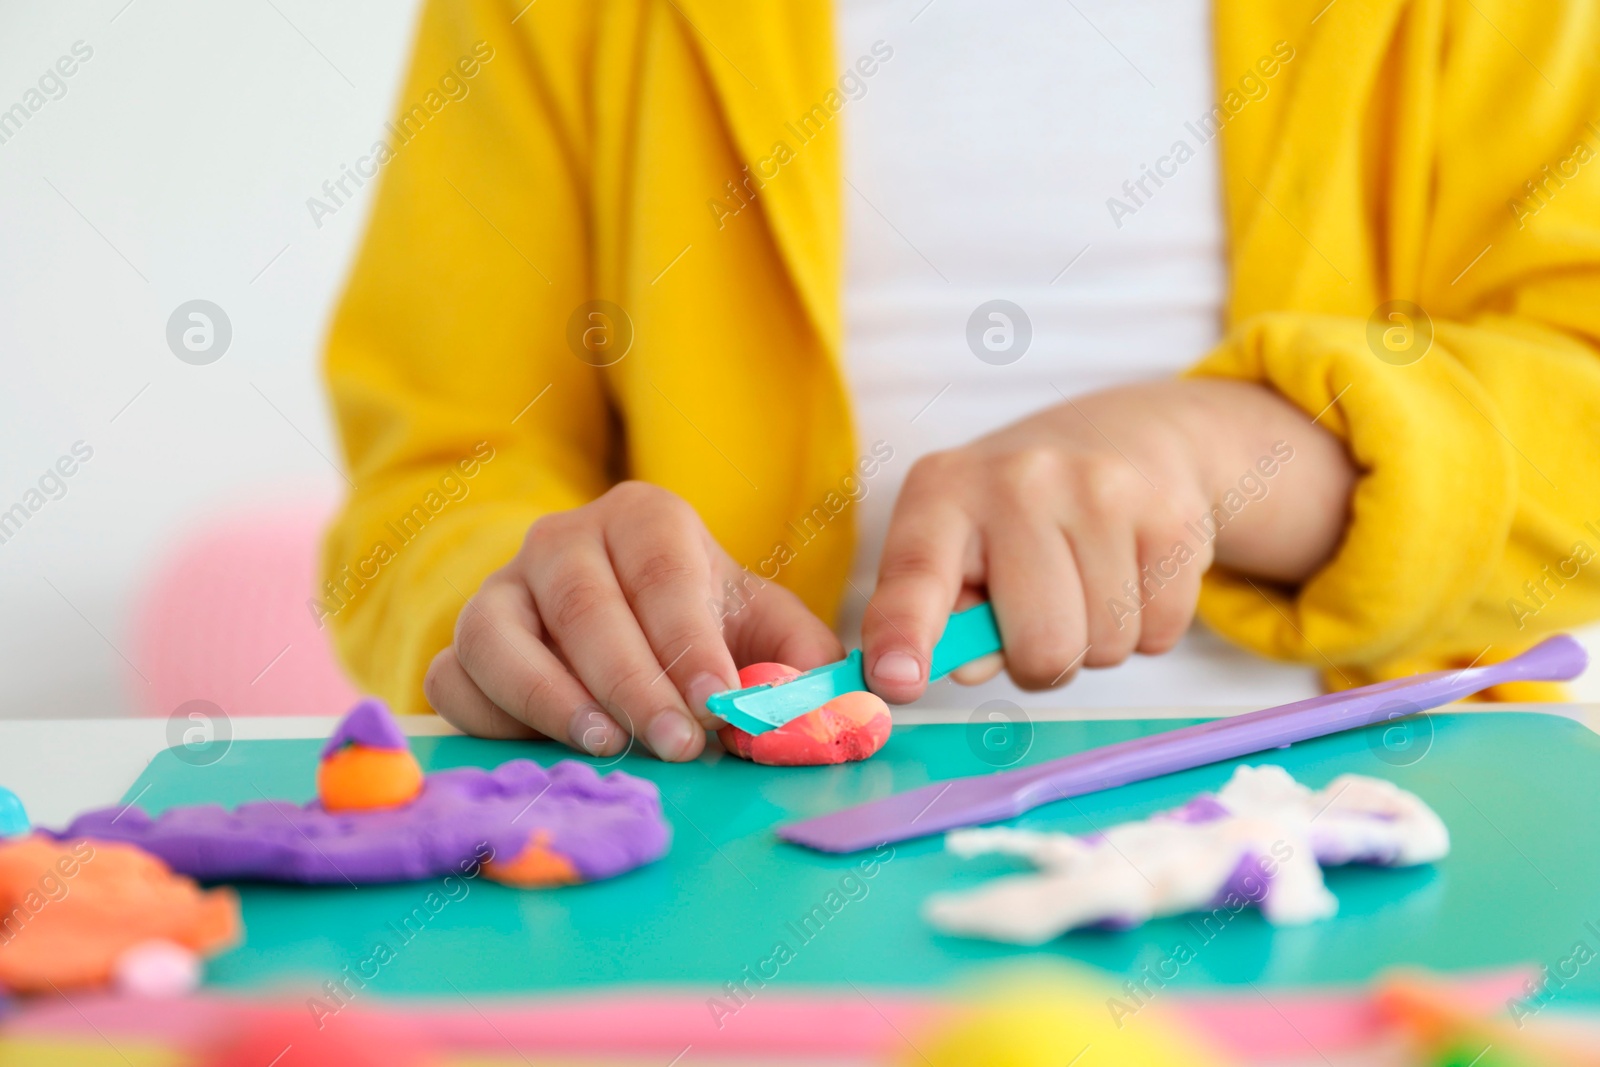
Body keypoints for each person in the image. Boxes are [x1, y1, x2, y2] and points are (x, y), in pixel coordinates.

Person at [320, 0, 1600, 762]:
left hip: (1374, 840)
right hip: (726, 876)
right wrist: (520, 602)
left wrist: (1237, 452)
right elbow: (433, 476)